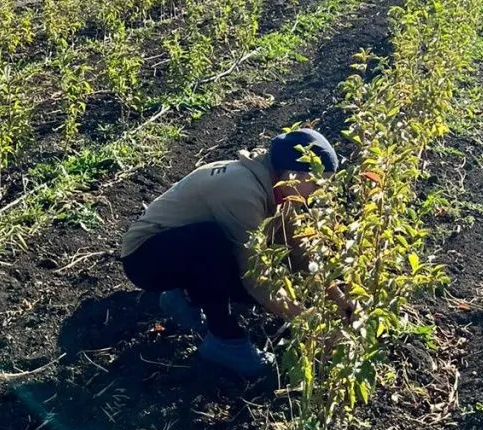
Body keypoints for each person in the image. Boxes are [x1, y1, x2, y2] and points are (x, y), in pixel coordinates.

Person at [120, 127, 347, 378]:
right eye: (316, 182)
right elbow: (256, 276)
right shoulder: (243, 191)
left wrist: (339, 298)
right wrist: (312, 324)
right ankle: (225, 340)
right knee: (215, 245)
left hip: (175, 251)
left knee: (258, 260)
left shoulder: (278, 188)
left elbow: (297, 247)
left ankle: (182, 298)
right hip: (144, 258)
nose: (319, 191)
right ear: (293, 173)